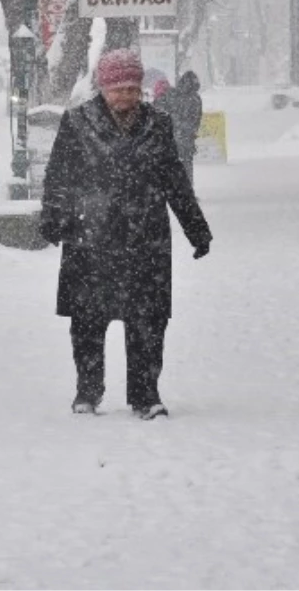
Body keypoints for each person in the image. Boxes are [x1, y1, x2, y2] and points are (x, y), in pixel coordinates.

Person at [39, 48, 212, 420]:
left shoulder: (159, 125)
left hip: (145, 238)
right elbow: (59, 177)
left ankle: (145, 395)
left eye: (132, 89)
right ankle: (87, 391)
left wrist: (196, 229)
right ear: (103, 88)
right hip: (91, 237)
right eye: (118, 89)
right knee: (87, 321)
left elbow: (175, 181)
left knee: (148, 321)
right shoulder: (77, 123)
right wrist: (53, 219)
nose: (126, 96)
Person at [156, 71, 203, 182]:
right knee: (186, 164)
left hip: (172, 137)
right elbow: (197, 119)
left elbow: (158, 108)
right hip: (186, 137)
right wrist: (192, 131)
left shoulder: (171, 94)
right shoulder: (196, 98)